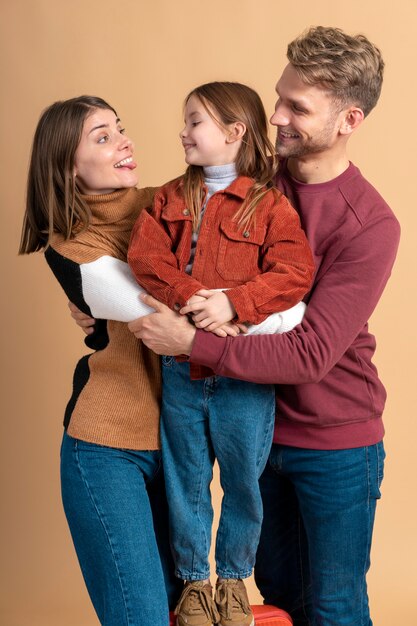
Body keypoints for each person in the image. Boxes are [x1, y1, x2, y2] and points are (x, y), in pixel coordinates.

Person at [126, 28, 401, 626]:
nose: (274, 116)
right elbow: (156, 221)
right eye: (278, 97)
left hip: (334, 443)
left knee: (333, 608)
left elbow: (309, 354)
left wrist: (190, 343)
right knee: (276, 598)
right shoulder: (250, 178)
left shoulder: (370, 223)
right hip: (256, 429)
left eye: (297, 107)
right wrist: (94, 289)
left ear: (349, 118)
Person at [127, 81, 315, 626]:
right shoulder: (168, 198)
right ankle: (192, 584)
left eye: (195, 122)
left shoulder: (270, 205)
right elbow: (145, 258)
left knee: (242, 481)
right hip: (182, 371)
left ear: (235, 133)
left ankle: (232, 582)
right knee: (185, 480)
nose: (183, 132)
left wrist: (235, 304)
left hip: (245, 380)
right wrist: (191, 298)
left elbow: (295, 274)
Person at [18, 95, 183, 626]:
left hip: (178, 445)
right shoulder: (70, 249)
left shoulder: (171, 202)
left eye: (122, 128)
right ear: (67, 166)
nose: (125, 141)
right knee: (142, 617)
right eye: (103, 136)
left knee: (190, 613)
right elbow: (168, 313)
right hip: (107, 449)